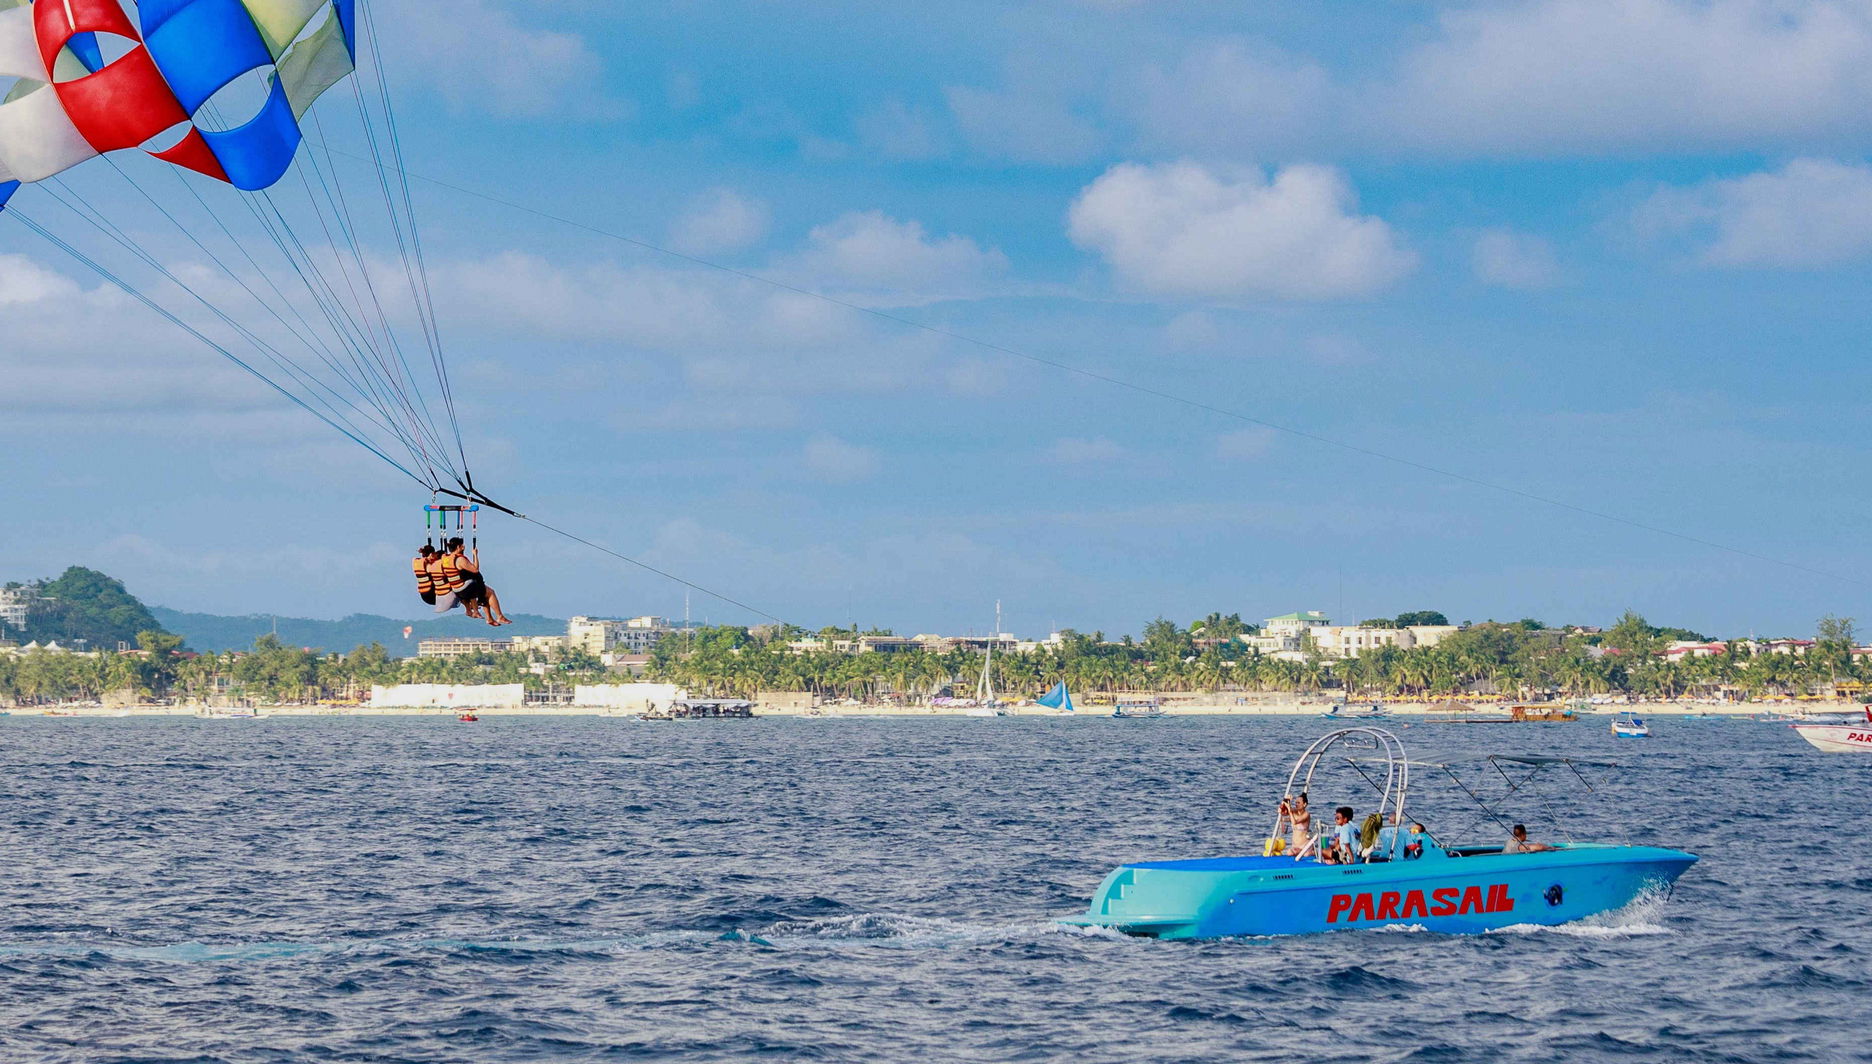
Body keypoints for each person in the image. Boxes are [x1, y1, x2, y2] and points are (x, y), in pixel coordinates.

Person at [446, 537, 511, 627]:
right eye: (462, 546)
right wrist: (475, 554)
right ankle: (499, 616)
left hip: (456, 589)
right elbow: (475, 569)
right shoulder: (460, 560)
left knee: (483, 591)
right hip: (464, 589)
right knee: (490, 592)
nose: (464, 546)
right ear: (458, 547)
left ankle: (489, 618)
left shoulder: (446, 559)